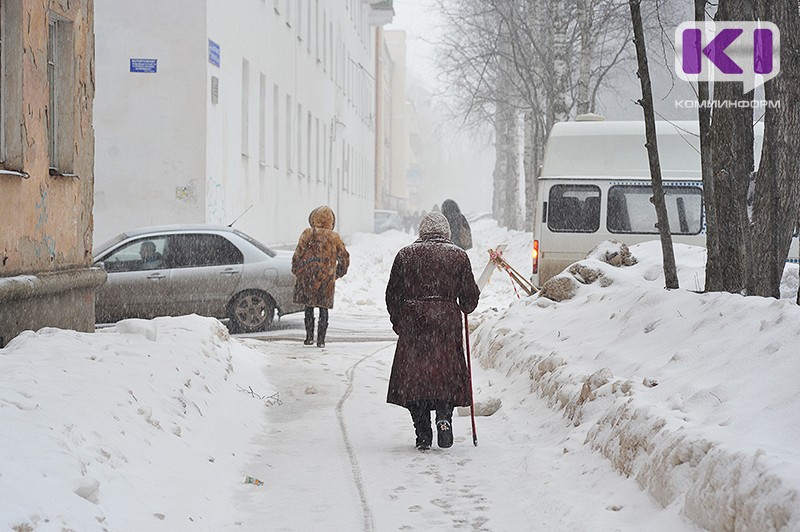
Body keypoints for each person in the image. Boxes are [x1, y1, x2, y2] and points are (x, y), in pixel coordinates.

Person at [385, 212, 480, 450]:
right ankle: (444, 417)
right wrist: (459, 302)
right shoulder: (458, 256)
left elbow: (392, 294)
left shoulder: (406, 255)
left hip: (414, 324)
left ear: (422, 231)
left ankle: (422, 432)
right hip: (446, 325)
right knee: (444, 374)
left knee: (415, 380)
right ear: (446, 232)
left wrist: (400, 322)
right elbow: (469, 300)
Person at [292, 206, 350, 348]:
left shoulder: (307, 234)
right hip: (326, 279)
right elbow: (345, 258)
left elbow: (297, 255)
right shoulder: (334, 237)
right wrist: (337, 273)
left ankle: (309, 337)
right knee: (323, 309)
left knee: (309, 307)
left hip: (308, 277)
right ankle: (321, 340)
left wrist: (297, 271)